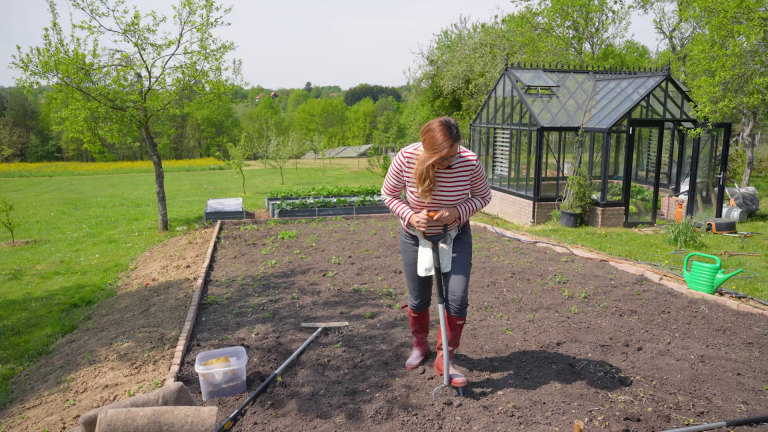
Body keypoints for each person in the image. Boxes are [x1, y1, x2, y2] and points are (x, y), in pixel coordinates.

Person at [381, 117, 491, 387]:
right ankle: (421, 346)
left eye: (453, 156)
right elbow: (388, 194)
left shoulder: (468, 161)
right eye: (443, 159)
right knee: (418, 299)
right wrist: (410, 216)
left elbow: (483, 196)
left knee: (456, 296)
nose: (449, 163)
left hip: (455, 236)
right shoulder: (406, 158)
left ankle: (446, 357)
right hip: (416, 238)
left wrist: (456, 211)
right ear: (428, 152)